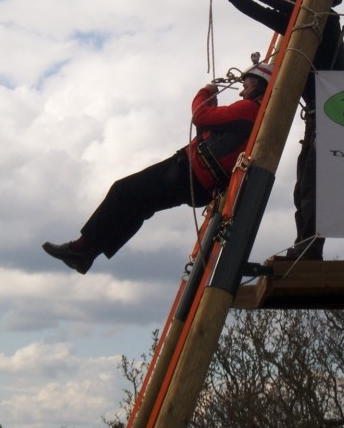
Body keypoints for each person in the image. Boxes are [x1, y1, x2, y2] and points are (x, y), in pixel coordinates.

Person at [42, 63, 273, 274]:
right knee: (138, 206)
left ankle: (82, 250)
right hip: (196, 179)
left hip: (188, 173)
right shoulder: (254, 115)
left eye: (246, 86)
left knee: (123, 191)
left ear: (259, 86)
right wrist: (212, 109)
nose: (242, 92)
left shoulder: (249, 109)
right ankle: (86, 253)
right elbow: (209, 130)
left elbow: (199, 115)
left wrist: (206, 92)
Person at [204, 0, 344, 261]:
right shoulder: (308, 26)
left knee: (311, 185)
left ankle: (309, 250)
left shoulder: (324, 20)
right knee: (303, 186)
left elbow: (276, 4)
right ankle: (306, 247)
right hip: (320, 116)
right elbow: (268, 10)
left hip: (327, 115)